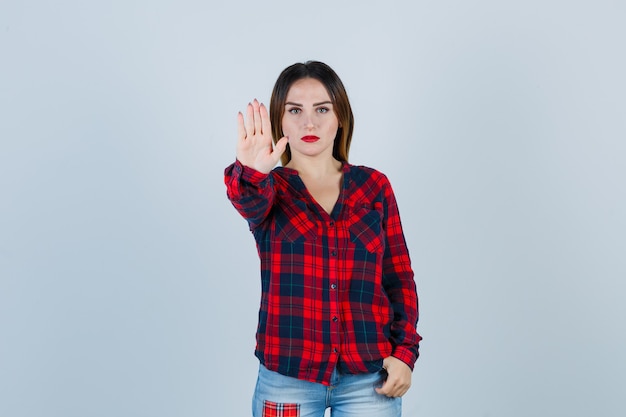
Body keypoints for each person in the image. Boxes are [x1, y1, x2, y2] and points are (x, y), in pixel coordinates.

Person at [224, 61, 421, 417]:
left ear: (340, 117)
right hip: (287, 378)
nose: (309, 123)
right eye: (295, 110)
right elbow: (246, 198)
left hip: (369, 380)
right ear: (279, 121)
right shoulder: (269, 189)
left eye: (322, 109)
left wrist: (405, 353)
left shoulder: (374, 187)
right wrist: (252, 171)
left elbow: (399, 278)